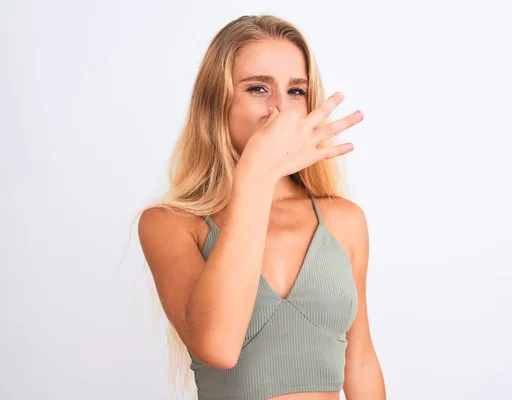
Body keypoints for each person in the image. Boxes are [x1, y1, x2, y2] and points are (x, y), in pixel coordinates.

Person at [138, 14, 386, 400]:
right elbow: (218, 347)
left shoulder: (343, 220)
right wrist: (255, 175)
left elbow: (361, 360)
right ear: (216, 102)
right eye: (257, 88)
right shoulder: (171, 224)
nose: (280, 110)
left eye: (296, 92)